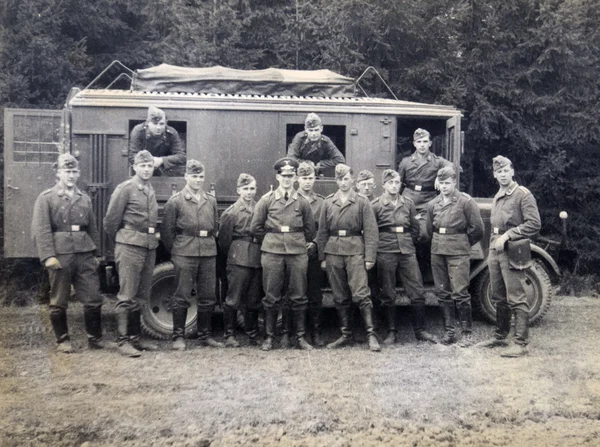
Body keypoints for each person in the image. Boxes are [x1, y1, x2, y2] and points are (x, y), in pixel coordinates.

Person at [31, 154, 105, 353]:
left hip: (84, 252)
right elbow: (42, 229)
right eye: (67, 171)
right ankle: (62, 340)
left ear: (78, 173)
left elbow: (92, 228)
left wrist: (96, 254)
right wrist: (48, 256)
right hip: (60, 254)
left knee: (93, 297)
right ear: (59, 173)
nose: (71, 175)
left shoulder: (84, 199)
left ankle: (95, 339)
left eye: (74, 172)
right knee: (59, 299)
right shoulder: (47, 198)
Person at [476, 156, 541, 357]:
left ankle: (521, 343)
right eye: (499, 172)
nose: (503, 175)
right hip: (496, 248)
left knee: (516, 296)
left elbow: (534, 224)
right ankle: (500, 336)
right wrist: (494, 245)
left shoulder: (523, 195)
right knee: (498, 294)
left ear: (512, 171)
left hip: (513, 248)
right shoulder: (499, 193)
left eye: (506, 171)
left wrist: (508, 235)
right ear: (494, 175)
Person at [250, 157, 316, 351]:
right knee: (271, 295)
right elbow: (256, 227)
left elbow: (310, 230)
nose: (287, 179)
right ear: (277, 177)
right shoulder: (266, 200)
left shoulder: (303, 202)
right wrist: (273, 240)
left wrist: (294, 241)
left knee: (298, 295)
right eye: (283, 175)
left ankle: (300, 338)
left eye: (290, 175)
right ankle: (270, 338)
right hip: (272, 252)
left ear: (295, 177)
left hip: (297, 252)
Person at [317, 164, 381, 352]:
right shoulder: (328, 202)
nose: (343, 183)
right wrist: (322, 257)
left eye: (346, 179)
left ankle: (371, 334)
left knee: (361, 293)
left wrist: (369, 257)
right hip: (333, 252)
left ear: (352, 180)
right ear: (335, 181)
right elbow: (322, 231)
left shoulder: (362, 201)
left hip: (355, 250)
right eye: (339, 179)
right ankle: (346, 334)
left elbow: (371, 231)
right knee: (339, 295)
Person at [371, 169, 439, 345]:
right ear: (384, 184)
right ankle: (392, 331)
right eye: (391, 182)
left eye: (397, 183)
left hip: (407, 251)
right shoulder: (376, 205)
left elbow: (415, 228)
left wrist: (409, 244)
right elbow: (372, 231)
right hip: (385, 251)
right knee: (388, 292)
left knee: (416, 290)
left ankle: (420, 331)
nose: (394, 186)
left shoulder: (408, 203)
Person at [104, 150, 160, 357]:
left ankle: (136, 339)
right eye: (142, 165)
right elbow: (110, 222)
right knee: (126, 294)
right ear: (134, 167)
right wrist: (123, 242)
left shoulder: (148, 188)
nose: (146, 169)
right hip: (130, 245)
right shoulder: (126, 188)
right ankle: (123, 341)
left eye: (149, 166)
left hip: (148, 246)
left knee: (141, 294)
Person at [162, 160, 222, 351]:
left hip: (207, 251)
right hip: (184, 252)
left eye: (201, 177)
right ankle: (178, 337)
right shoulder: (176, 201)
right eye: (194, 176)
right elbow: (167, 232)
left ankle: (204, 335)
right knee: (182, 294)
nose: (197, 180)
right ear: (186, 177)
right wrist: (178, 250)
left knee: (208, 295)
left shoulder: (210, 200)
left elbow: (215, 226)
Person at [425, 166, 484, 346]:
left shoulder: (465, 202)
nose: (444, 186)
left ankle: (466, 333)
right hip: (438, 250)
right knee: (442, 293)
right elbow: (429, 229)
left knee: (460, 292)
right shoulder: (433, 204)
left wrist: (463, 243)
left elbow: (477, 229)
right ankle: (449, 331)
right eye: (441, 183)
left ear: (454, 182)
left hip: (458, 251)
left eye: (447, 183)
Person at [218, 173, 263, 347]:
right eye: (245, 189)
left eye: (252, 188)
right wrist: (236, 253)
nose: (249, 192)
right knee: (233, 298)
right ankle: (229, 335)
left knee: (253, 299)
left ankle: (252, 334)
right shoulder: (231, 212)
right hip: (238, 258)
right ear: (238, 190)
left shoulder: (260, 208)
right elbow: (224, 240)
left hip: (256, 257)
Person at [295, 161, 326, 347]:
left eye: (310, 178)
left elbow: (323, 229)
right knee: (295, 292)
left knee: (315, 294)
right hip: (295, 252)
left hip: (313, 253)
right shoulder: (292, 198)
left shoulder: (322, 202)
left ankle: (316, 332)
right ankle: (296, 333)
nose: (307, 182)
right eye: (304, 178)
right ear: (298, 179)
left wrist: (315, 244)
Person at [128, 106, 186, 176]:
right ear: (148, 123)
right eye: (155, 124)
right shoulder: (139, 131)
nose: (158, 127)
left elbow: (181, 156)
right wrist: (150, 162)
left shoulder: (171, 133)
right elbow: (132, 155)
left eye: (162, 124)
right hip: (143, 171)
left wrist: (161, 160)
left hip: (164, 171)